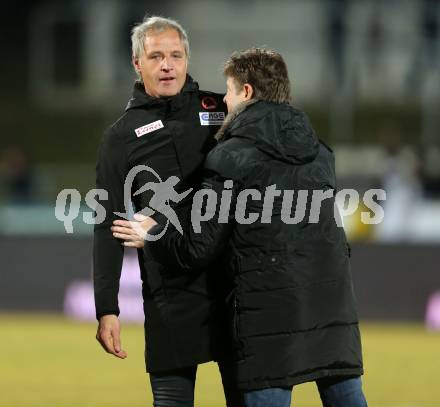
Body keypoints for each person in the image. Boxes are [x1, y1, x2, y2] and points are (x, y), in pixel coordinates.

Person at [121, 48, 368, 406]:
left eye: (230, 91)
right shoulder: (320, 153)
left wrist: (153, 234)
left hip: (268, 323)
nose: (225, 99)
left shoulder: (231, 156)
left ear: (248, 93)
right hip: (333, 313)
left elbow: (198, 247)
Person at [93, 15, 238, 406]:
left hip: (233, 283)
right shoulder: (120, 136)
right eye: (156, 56)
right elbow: (107, 223)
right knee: (171, 400)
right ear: (137, 64)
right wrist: (107, 308)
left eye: (175, 54)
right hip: (169, 288)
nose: (167, 65)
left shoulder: (221, 110)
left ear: (187, 58)